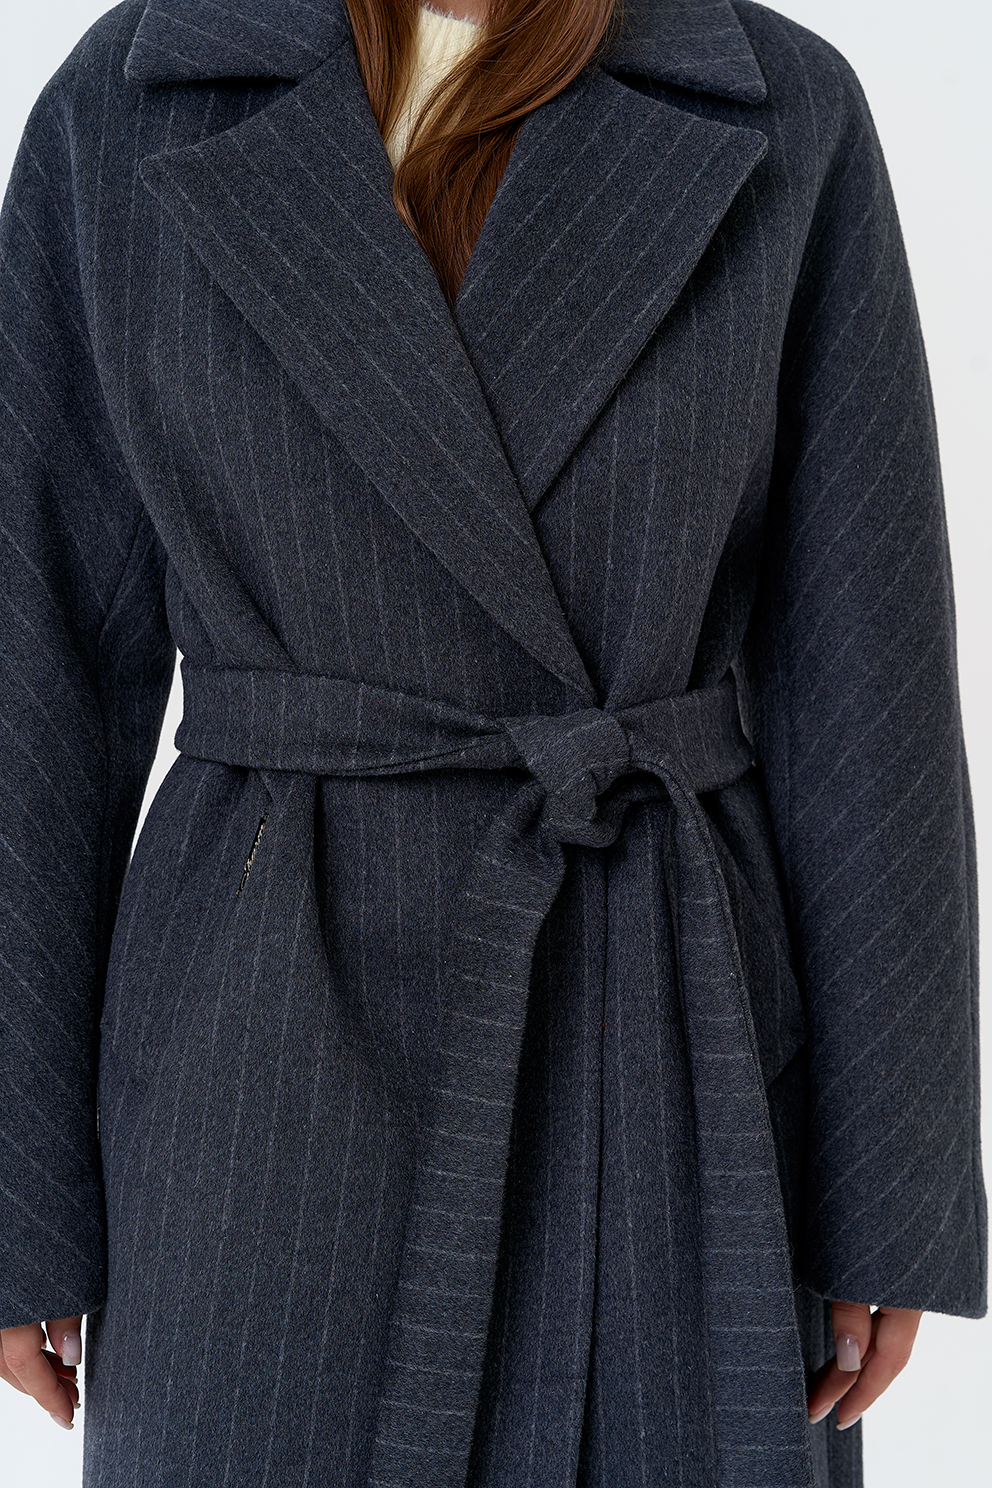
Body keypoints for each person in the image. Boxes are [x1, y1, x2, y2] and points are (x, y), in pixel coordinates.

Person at [0, 2, 985, 1485]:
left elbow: (870, 681)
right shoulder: (132, 98)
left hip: (661, 1028)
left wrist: (890, 1189)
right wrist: (18, 1196)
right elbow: (35, 674)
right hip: (259, 1054)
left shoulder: (781, 108)